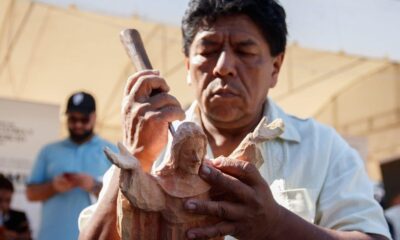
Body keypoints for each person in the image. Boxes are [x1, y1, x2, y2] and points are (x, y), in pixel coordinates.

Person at [79, 0, 391, 239]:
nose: (224, 66)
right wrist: (135, 157)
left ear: (275, 68)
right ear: (187, 66)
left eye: (244, 50)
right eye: (209, 49)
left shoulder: (322, 148)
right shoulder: (149, 142)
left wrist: (277, 226)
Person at [26, 91, 116, 240]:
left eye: (84, 119)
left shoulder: (111, 151)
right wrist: (53, 187)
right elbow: (31, 193)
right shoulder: (48, 151)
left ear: (94, 117)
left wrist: (94, 185)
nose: (78, 124)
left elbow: (124, 198)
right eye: (73, 119)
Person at [0, 175, 31, 240]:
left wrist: (18, 236)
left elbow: (27, 237)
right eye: (0, 200)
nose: (4, 205)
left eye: (8, 200)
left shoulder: (19, 217)